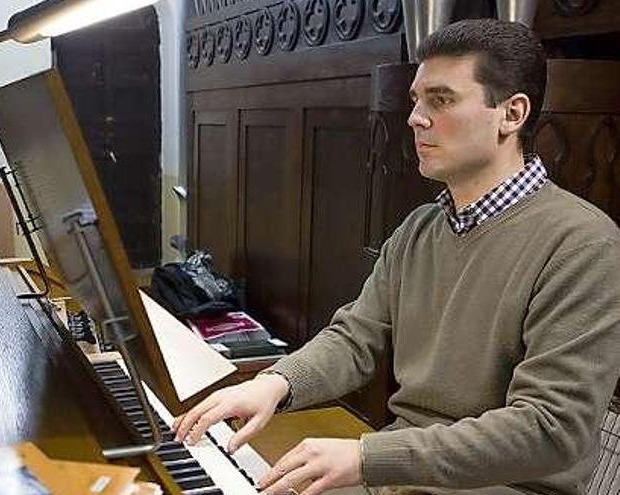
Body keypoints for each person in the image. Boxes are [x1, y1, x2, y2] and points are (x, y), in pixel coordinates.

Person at [173, 18, 620, 495]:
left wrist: (368, 456)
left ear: (511, 114)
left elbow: (549, 430)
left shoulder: (584, 244)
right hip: (401, 472)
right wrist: (274, 385)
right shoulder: (419, 228)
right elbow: (354, 338)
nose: (415, 118)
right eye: (415, 100)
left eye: (441, 100)